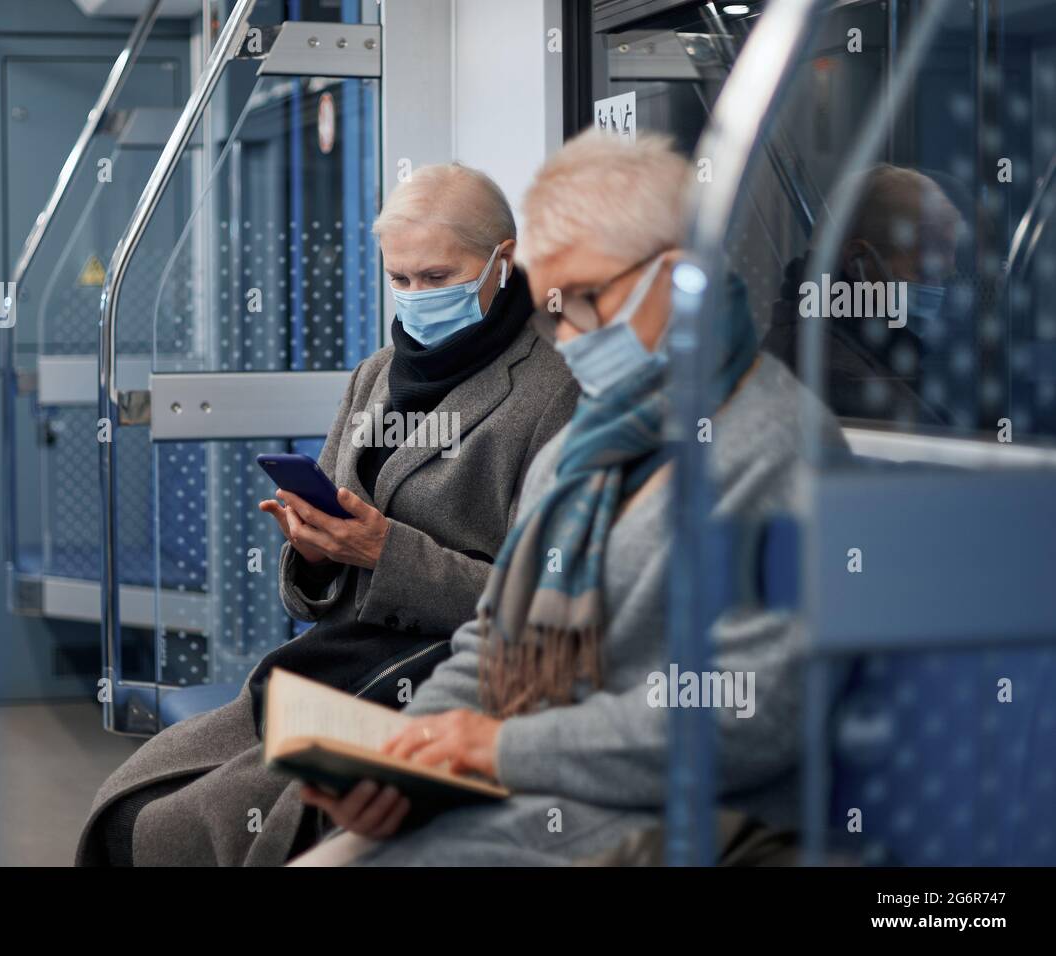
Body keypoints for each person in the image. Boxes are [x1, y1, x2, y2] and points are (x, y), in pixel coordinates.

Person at [288, 131, 848, 866]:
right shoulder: (583, 450)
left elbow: (748, 717)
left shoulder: (780, 452)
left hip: (687, 817)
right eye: (554, 307)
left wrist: (502, 746)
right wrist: (409, 755)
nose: (569, 335)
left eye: (585, 299)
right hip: (545, 790)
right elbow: (494, 643)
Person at [77, 163, 578, 866]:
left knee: (177, 829)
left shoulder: (550, 393)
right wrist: (313, 552)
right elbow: (319, 592)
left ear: (503, 258)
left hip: (438, 680)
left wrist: (383, 551)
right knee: (132, 806)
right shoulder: (375, 376)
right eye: (399, 279)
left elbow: (539, 606)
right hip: (338, 660)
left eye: (436, 278)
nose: (414, 298)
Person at [762, 163, 964, 427]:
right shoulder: (838, 375)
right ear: (859, 261)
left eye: (942, 277)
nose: (937, 292)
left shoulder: (865, 348)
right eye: (925, 272)